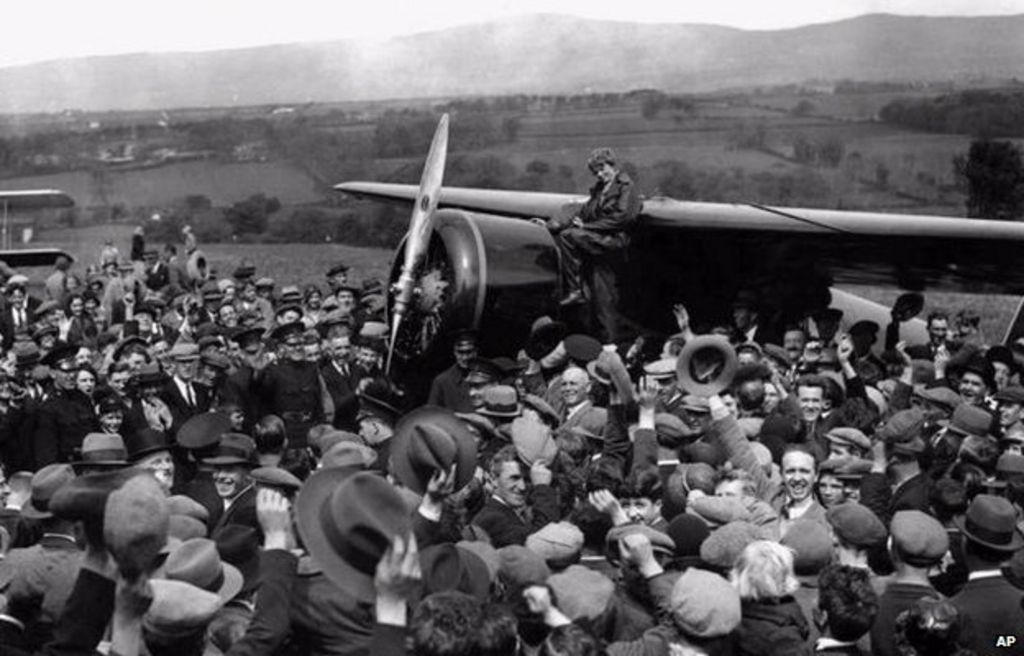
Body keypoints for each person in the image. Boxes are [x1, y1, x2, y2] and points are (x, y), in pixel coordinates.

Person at [540, 147, 640, 341]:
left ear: (611, 165)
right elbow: (584, 211)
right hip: (597, 243)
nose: (600, 174)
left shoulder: (627, 187)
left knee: (569, 236)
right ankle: (604, 341)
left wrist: (588, 226)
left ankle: (575, 290)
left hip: (614, 242)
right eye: (596, 172)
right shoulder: (600, 190)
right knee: (602, 301)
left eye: (602, 169)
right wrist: (558, 222)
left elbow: (623, 219)